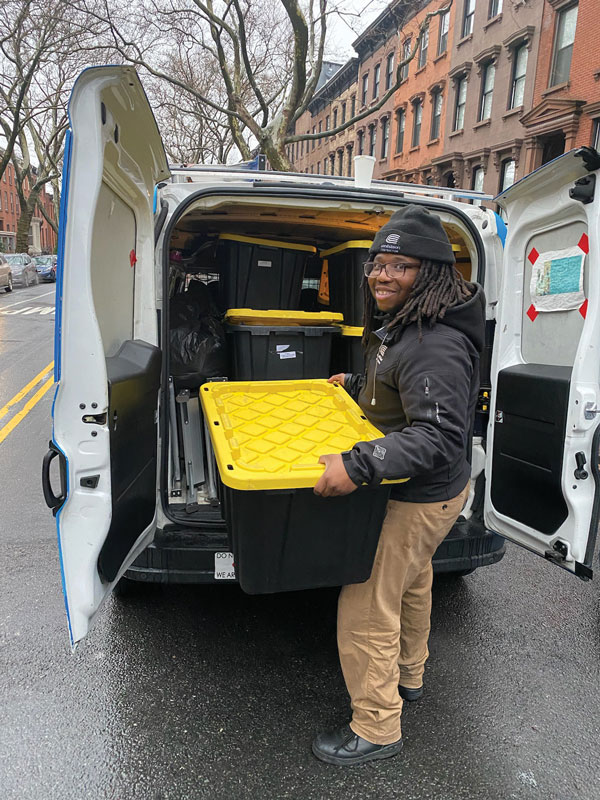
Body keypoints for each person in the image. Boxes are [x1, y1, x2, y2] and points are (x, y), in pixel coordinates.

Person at [311, 204, 485, 766]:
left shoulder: (434, 340)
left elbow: (435, 433)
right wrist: (359, 383)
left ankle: (377, 727)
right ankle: (410, 675)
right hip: (433, 492)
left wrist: (356, 464)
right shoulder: (408, 323)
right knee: (412, 582)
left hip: (419, 494)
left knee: (366, 605)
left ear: (430, 272)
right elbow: (406, 393)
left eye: (400, 266)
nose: (382, 276)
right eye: (377, 264)